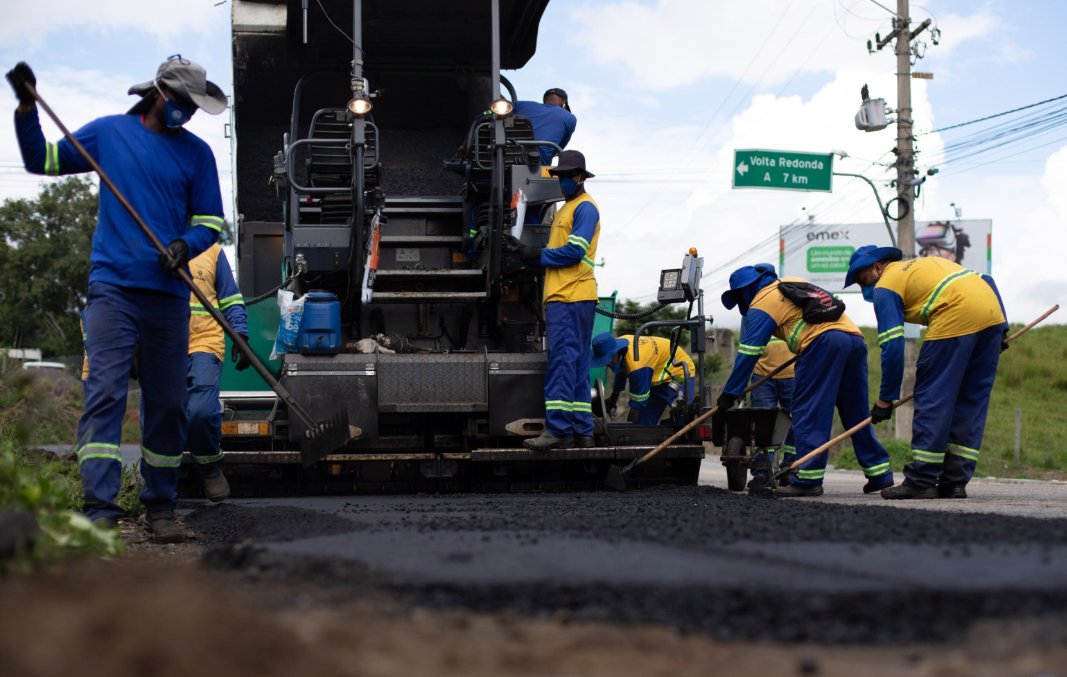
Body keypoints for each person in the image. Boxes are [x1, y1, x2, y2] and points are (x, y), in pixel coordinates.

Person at [9, 56, 229, 542]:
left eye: (195, 109)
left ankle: (161, 509)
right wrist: (27, 108)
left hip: (168, 297)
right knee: (105, 395)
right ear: (158, 96)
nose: (188, 116)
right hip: (112, 290)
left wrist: (183, 245)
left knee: (169, 405)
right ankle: (100, 513)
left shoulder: (197, 155)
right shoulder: (108, 134)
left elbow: (211, 222)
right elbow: (40, 161)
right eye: (183, 105)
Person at [843, 245, 1007, 500]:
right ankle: (954, 482)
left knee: (933, 398)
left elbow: (893, 344)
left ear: (878, 267)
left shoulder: (887, 284)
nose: (865, 290)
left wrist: (886, 399)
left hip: (955, 314)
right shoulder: (927, 264)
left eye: (864, 281)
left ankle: (921, 479)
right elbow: (986, 280)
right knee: (969, 404)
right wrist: (1002, 328)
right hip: (992, 315)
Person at [717, 266, 894, 497]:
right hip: (853, 339)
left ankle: (808, 480)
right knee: (855, 412)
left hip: (822, 345)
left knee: (809, 411)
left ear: (746, 290)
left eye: (739, 296)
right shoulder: (792, 281)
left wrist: (730, 393)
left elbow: (749, 352)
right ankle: (879, 473)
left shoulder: (761, 302)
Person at [506, 150, 600, 450]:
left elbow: (575, 252)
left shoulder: (585, 208)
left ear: (580, 177)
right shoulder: (566, 208)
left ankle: (558, 430)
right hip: (571, 296)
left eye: (567, 176)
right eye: (558, 176)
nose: (562, 182)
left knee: (561, 363)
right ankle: (582, 431)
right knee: (577, 365)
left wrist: (535, 253)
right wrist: (527, 255)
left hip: (570, 296)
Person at [186, 244, 251, 502]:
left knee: (200, 411)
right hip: (160, 344)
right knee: (160, 416)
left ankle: (210, 468)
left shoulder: (211, 251)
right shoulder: (148, 239)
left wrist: (240, 334)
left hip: (204, 341)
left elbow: (231, 297)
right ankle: (158, 492)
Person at [590, 333, 697, 425]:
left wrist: (627, 431)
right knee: (642, 425)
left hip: (678, 372)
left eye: (609, 359)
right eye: (604, 360)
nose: (607, 363)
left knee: (682, 418)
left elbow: (636, 404)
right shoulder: (619, 345)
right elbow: (622, 372)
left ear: (616, 351)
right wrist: (613, 398)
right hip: (655, 375)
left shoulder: (637, 367)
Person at [457, 87, 576, 165]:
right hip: (538, 166)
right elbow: (557, 149)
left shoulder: (521, 105)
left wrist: (465, 145)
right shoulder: (570, 118)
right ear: (563, 102)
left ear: (544, 100)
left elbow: (482, 116)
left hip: (504, 159)